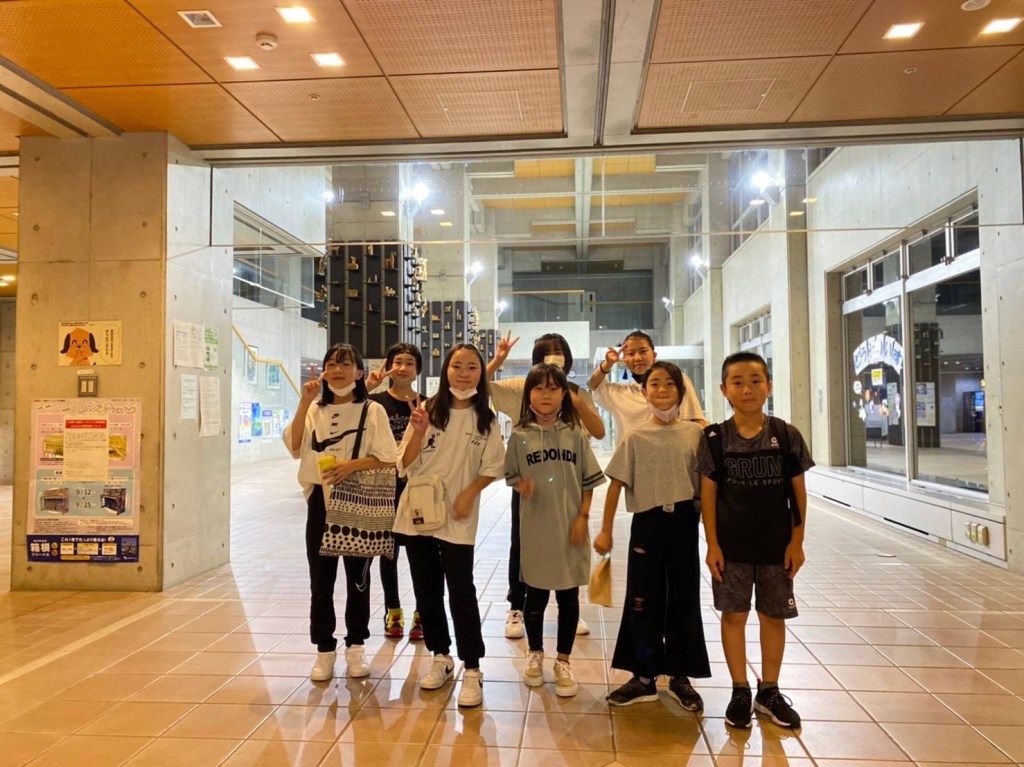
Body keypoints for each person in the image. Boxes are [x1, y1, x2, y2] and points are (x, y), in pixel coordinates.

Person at [697, 351, 813, 730]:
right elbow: (708, 496)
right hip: (731, 548)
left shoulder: (786, 435)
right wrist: (712, 545)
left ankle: (770, 691)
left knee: (773, 616)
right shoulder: (714, 438)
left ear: (769, 386)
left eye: (755, 381)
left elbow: (798, 494)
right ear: (724, 389)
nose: (747, 389)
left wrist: (797, 542)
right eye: (738, 382)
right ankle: (739, 690)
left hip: (776, 546)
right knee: (734, 615)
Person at [393, 343, 505, 708]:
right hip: (418, 515)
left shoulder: (486, 419)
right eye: (457, 366)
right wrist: (419, 432)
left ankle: (472, 667)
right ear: (446, 371)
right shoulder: (426, 410)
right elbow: (403, 464)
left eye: (472, 367)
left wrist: (469, 493)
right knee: (427, 591)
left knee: (461, 590)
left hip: (458, 517)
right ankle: (441, 656)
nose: (464, 374)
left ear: (481, 373)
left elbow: (493, 467)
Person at [594, 361, 711, 710]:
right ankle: (643, 677)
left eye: (670, 384)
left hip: (684, 525)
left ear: (682, 392)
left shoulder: (695, 435)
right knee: (642, 599)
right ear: (644, 393)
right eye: (655, 384)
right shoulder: (636, 436)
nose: (662, 390)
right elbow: (615, 485)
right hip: (647, 525)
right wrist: (605, 530)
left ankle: (680, 676)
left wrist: (714, 538)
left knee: (684, 599)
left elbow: (707, 488)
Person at [283, 343, 397, 682]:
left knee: (358, 579)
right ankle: (324, 649)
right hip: (321, 501)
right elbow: (294, 446)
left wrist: (350, 466)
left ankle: (356, 645)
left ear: (359, 373)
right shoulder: (314, 408)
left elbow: (388, 457)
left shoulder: (372, 410)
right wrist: (304, 401)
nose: (337, 370)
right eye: (331, 364)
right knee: (321, 579)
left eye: (345, 364)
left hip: (358, 499)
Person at [487, 331, 605, 640]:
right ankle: (517, 605)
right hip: (531, 483)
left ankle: (568, 608)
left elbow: (598, 431)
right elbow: (477, 386)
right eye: (546, 352)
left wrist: (572, 397)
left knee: (568, 543)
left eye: (559, 351)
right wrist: (498, 360)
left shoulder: (576, 392)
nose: (554, 356)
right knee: (523, 545)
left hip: (567, 483)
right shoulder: (522, 386)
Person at [503, 363, 605, 697]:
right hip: (536, 531)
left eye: (553, 388)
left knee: (568, 597)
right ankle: (535, 654)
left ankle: (563, 661)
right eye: (538, 388)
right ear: (528, 394)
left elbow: (589, 481)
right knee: (534, 597)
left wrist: (583, 517)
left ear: (564, 395)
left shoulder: (575, 435)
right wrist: (522, 485)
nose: (545, 395)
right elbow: (511, 475)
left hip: (570, 529)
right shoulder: (519, 436)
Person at [366, 343, 424, 641]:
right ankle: (393, 610)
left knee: (420, 553)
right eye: (397, 362)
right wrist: (367, 386)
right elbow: (347, 409)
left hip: (417, 488)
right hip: (384, 486)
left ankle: (422, 613)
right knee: (387, 552)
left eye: (409, 363)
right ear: (388, 366)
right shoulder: (373, 402)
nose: (402, 368)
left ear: (418, 370)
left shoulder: (428, 404)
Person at [588, 330, 706, 440]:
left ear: (654, 355)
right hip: (633, 454)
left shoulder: (676, 380)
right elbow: (593, 384)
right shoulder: (622, 392)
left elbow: (696, 419)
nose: (637, 358)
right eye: (631, 353)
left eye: (643, 351)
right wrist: (607, 364)